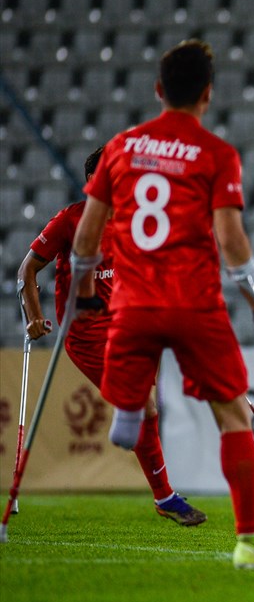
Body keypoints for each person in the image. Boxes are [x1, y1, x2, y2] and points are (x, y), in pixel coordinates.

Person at [70, 39, 254, 569]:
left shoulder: (119, 148)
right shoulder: (215, 154)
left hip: (133, 306)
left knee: (136, 389)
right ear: (207, 95)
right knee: (233, 415)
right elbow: (232, 243)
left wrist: (86, 295)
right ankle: (249, 545)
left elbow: (88, 237)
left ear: (159, 90)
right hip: (194, 304)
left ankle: (127, 402)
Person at [17, 146, 206, 526]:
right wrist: (34, 317)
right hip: (88, 334)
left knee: (148, 406)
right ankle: (166, 497)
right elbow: (27, 270)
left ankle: (161, 491)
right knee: (144, 404)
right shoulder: (71, 220)